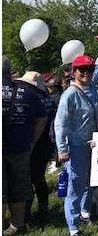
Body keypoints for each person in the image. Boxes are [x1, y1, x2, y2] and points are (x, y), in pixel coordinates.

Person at [55, 37, 98, 236]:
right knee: (75, 187)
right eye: (82, 69)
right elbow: (60, 124)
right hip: (75, 146)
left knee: (90, 181)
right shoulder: (69, 95)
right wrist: (62, 151)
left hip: (94, 145)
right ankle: (73, 229)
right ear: (73, 72)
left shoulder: (92, 86)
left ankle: (85, 214)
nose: (86, 72)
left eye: (89, 69)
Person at [2, 58, 47, 236]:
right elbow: (42, 119)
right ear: (10, 70)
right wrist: (31, 142)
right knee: (18, 188)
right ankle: (18, 224)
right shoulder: (28, 93)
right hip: (21, 148)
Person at [14, 72, 55, 222]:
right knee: (39, 177)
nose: (22, 86)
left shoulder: (32, 100)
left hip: (34, 142)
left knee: (28, 178)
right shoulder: (49, 99)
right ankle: (43, 207)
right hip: (47, 143)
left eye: (24, 84)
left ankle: (26, 212)